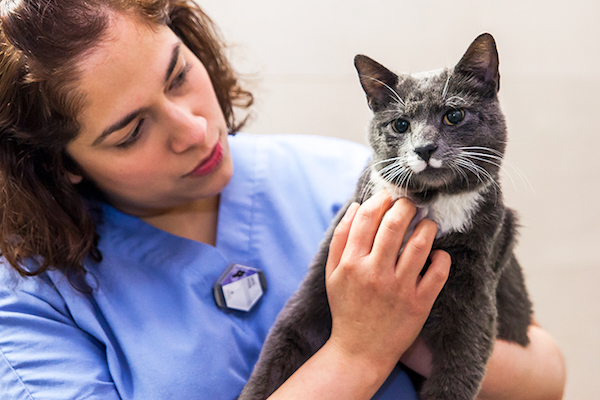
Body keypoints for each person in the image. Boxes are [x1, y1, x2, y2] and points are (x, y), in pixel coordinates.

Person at [0, 0, 565, 399]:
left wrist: (416, 330)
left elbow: (546, 375)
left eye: (177, 76)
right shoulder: (32, 306)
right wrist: (357, 354)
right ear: (62, 164)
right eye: (130, 132)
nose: (194, 129)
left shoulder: (359, 179)